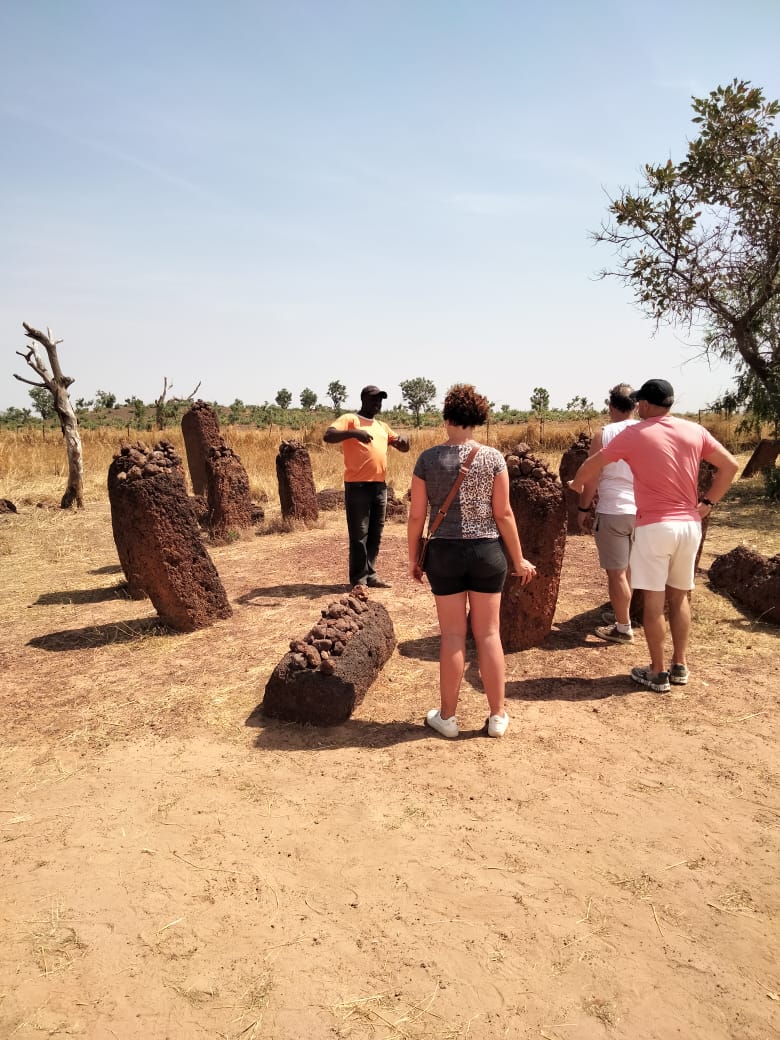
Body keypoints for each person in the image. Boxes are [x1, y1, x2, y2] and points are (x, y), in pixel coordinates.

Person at [569, 378, 739, 693]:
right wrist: (708, 503)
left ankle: (658, 671)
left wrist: (576, 483)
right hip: (689, 525)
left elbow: (593, 464)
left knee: (654, 601)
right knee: (680, 597)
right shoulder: (694, 430)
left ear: (645, 404)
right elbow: (730, 465)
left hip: (654, 526)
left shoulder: (636, 433)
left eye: (640, 403)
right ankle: (680, 664)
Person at [407, 384, 536, 739]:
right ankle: (497, 716)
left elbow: (417, 516)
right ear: (477, 419)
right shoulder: (493, 459)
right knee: (489, 634)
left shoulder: (427, 460)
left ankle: (447, 718)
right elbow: (504, 513)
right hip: (487, 553)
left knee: (452, 636)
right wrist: (519, 559)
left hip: (444, 554)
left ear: (446, 417)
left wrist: (414, 558)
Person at [324, 385, 409, 588]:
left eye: (380, 400)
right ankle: (359, 580)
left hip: (380, 486)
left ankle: (370, 574)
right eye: (373, 399)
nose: (377, 403)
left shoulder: (382, 426)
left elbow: (402, 446)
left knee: (375, 534)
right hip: (358, 486)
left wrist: (405, 440)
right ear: (363, 399)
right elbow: (328, 435)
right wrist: (354, 433)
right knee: (359, 535)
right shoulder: (350, 419)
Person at [576, 383, 638, 643]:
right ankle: (623, 614)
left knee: (616, 573)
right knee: (629, 568)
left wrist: (583, 508)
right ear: (635, 406)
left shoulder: (604, 434)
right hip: (643, 511)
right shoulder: (647, 432)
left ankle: (622, 628)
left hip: (614, 509)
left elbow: (591, 476)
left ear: (611, 407)